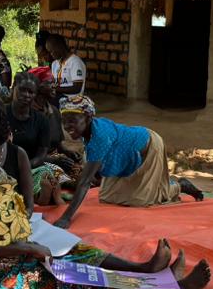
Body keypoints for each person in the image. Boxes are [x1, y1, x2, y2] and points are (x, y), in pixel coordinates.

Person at [0, 97, 210, 289]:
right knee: (67, 281)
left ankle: (150, 276)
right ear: (4, 139)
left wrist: (29, 246)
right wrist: (30, 248)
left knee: (70, 255)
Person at [55, 95, 203, 228]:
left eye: (72, 121)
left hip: (148, 146)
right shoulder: (88, 131)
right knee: (107, 197)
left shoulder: (100, 137)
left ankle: (179, 186)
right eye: (64, 121)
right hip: (127, 157)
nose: (67, 126)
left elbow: (85, 182)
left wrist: (66, 218)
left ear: (88, 117)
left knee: (142, 199)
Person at [7, 71, 74, 205]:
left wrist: (27, 166)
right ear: (13, 88)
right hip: (5, 166)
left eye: (31, 92)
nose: (26, 95)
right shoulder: (2, 114)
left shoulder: (41, 120)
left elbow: (42, 153)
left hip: (32, 166)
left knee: (46, 173)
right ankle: (45, 196)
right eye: (22, 90)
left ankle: (44, 195)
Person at [46, 33, 87, 97]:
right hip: (58, 97)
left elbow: (77, 88)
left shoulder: (75, 62)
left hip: (72, 100)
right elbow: (55, 83)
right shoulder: (55, 64)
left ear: (59, 47)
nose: (51, 54)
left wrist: (54, 89)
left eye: (51, 51)